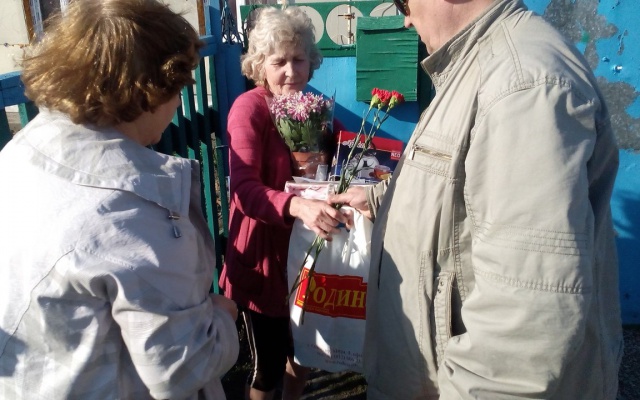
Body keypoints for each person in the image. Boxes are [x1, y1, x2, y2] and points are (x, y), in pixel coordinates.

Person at [330, 0, 623, 398]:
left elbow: (522, 329)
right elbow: (458, 190)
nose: (406, 19)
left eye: (403, 2)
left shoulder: (522, 84)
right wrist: (380, 199)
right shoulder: (480, 66)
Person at [0, 0, 239, 399]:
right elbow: (182, 366)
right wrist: (223, 316)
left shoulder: (21, 153)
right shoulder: (132, 209)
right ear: (150, 91)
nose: (181, 102)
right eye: (180, 87)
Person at [219, 6, 348, 400]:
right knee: (267, 369)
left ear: (312, 62)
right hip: (262, 262)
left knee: (304, 351)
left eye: (299, 59)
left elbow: (344, 156)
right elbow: (243, 189)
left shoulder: (317, 107)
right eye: (279, 62)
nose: (291, 72)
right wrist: (297, 205)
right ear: (260, 65)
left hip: (306, 255)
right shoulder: (249, 108)